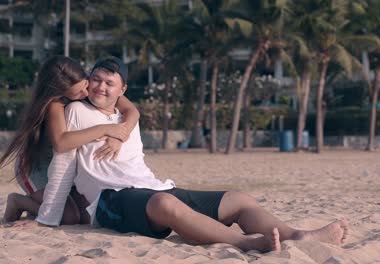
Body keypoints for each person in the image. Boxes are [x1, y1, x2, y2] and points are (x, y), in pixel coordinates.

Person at [14, 57, 348, 253]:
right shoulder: (71, 110)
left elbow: (129, 110)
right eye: (95, 81)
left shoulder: (127, 114)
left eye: (108, 83)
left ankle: (297, 237)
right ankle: (246, 244)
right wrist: (48, 217)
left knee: (239, 199)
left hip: (153, 187)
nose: (99, 87)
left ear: (122, 90)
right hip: (109, 200)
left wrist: (124, 123)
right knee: (165, 206)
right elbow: (62, 160)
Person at [1, 55, 140, 224]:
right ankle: (18, 202)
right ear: (61, 94)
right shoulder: (55, 104)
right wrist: (104, 129)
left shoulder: (94, 83)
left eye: (85, 86)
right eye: (78, 93)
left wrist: (120, 137)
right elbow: (61, 143)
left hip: (68, 166)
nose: (86, 93)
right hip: (36, 164)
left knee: (85, 215)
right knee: (69, 217)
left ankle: (35, 207)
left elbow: (132, 112)